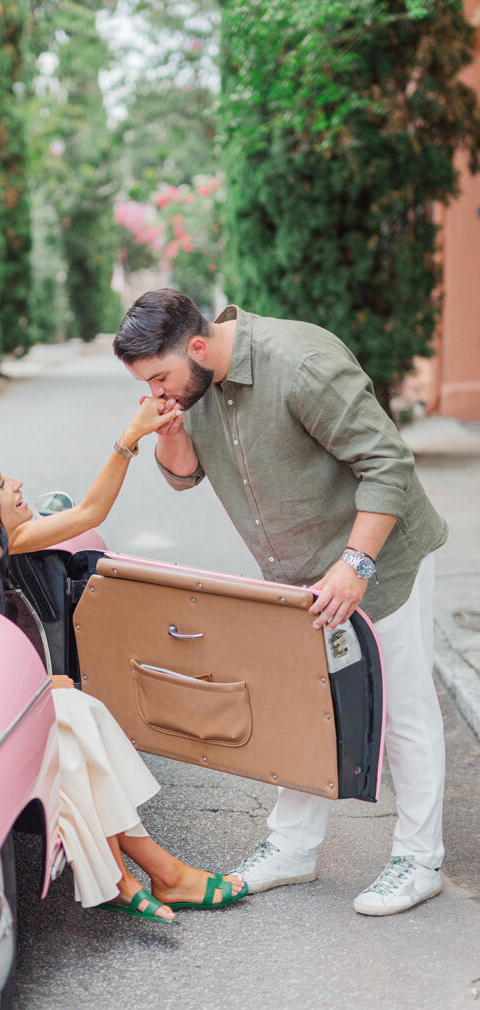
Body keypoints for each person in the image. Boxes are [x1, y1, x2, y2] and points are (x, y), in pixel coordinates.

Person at [112, 288, 448, 917]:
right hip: (300, 583)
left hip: (380, 560)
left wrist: (356, 564)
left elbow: (389, 464)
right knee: (302, 707)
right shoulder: (193, 388)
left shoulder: (299, 363)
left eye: (161, 377)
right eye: (145, 383)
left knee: (402, 710)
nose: (158, 390)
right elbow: (182, 476)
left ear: (197, 345)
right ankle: (293, 848)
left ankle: (420, 858)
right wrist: (171, 422)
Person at [0, 396, 247, 924]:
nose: (18, 486)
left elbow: (89, 513)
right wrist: (40, 690)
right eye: (4, 485)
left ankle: (143, 873)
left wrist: (131, 437)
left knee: (79, 712)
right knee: (72, 714)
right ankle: (152, 872)